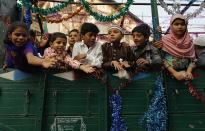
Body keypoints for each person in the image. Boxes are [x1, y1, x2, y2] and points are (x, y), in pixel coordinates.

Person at [161, 14, 196, 81]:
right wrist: (175, 73)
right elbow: (161, 58)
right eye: (176, 24)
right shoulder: (165, 40)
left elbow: (193, 60)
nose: (180, 26)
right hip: (167, 75)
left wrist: (189, 71)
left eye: (183, 24)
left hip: (185, 75)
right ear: (171, 26)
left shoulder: (189, 40)